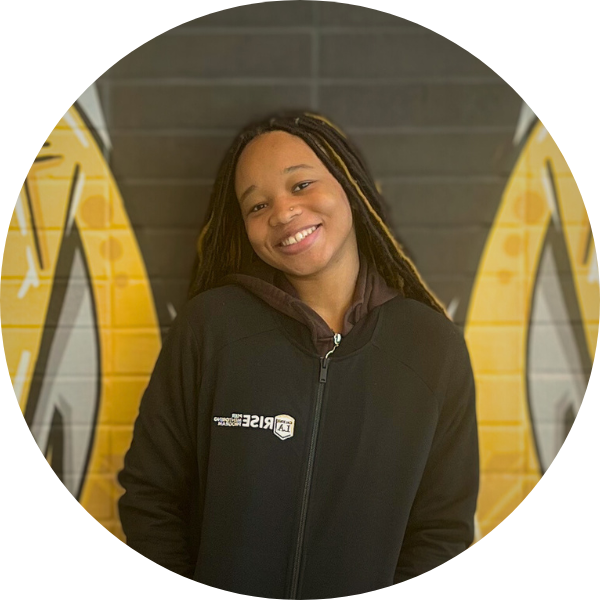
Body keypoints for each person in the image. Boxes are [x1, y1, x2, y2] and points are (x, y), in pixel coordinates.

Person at [118, 111, 479, 599]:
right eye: (257, 205)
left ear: (348, 184)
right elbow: (151, 497)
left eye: (302, 184)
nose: (283, 212)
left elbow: (441, 533)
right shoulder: (210, 328)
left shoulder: (431, 346)